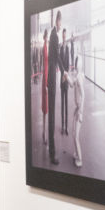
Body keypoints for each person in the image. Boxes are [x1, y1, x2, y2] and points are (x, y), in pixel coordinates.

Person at [46, 13, 61, 164]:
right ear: (58, 20)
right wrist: (63, 71)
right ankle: (52, 153)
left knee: (52, 115)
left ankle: (52, 150)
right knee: (52, 117)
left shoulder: (52, 34)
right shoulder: (54, 35)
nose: (61, 24)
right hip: (52, 77)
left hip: (50, 76)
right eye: (60, 21)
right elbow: (56, 56)